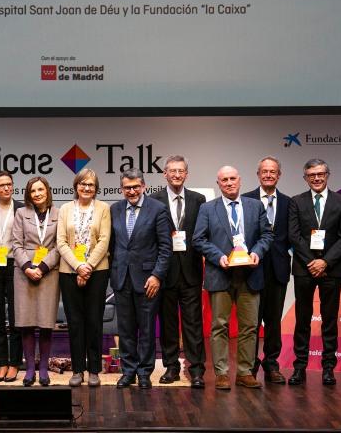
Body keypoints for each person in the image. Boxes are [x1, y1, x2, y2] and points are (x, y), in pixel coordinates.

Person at [193, 166, 272, 391]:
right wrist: (218, 257)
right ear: (218, 183)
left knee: (250, 326)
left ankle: (245, 372)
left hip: (250, 274)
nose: (229, 183)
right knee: (219, 326)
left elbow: (267, 234)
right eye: (224, 180)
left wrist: (257, 251)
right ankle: (222, 373)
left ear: (240, 180)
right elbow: (198, 239)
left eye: (232, 178)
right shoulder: (208, 209)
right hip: (221, 274)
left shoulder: (255, 206)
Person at [288, 158, 341, 386]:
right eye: (311, 175)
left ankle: (328, 369)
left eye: (320, 174)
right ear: (305, 177)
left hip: (331, 270)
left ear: (327, 175)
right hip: (305, 269)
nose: (316, 178)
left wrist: (324, 262)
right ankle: (299, 368)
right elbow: (294, 236)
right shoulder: (296, 202)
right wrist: (312, 262)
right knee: (302, 320)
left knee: (330, 320)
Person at [109, 168, 172, 389]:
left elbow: (166, 247)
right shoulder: (114, 209)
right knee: (125, 329)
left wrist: (157, 275)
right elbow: (112, 246)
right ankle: (128, 371)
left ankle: (145, 372)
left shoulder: (158, 209)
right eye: (127, 187)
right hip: (121, 278)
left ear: (144, 186)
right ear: (121, 188)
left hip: (148, 280)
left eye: (136, 186)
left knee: (146, 329)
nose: (132, 191)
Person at [150, 155, 207, 388]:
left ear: (186, 174)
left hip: (191, 271)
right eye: (172, 171)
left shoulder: (198, 199)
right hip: (165, 271)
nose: (176, 175)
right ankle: (171, 367)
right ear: (165, 174)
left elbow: (203, 234)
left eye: (180, 171)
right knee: (168, 323)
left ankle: (196, 370)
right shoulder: (154, 200)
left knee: (193, 323)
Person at [56, 168, 112, 388]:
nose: (87, 188)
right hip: (69, 271)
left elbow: (105, 240)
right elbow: (60, 242)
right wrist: (78, 265)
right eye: (83, 184)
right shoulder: (65, 209)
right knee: (75, 323)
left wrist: (87, 266)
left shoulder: (103, 208)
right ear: (76, 186)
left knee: (94, 322)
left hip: (97, 271)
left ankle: (94, 370)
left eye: (91, 185)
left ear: (96, 188)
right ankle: (78, 370)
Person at [242, 156, 293, 384]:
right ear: (258, 174)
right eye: (264, 171)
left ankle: (271, 364)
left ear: (279, 175)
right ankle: (249, 365)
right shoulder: (245, 200)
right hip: (252, 268)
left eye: (273, 171)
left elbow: (292, 236)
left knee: (273, 320)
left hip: (278, 270)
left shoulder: (289, 203)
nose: (269, 175)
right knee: (251, 320)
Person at [11, 176, 61, 387]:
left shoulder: (60, 213)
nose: (38, 194)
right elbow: (15, 244)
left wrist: (41, 267)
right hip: (24, 273)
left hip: (49, 272)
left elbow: (61, 245)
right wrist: (28, 267)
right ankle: (30, 368)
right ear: (28, 195)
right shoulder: (21, 213)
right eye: (33, 191)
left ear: (48, 191)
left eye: (41, 189)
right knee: (27, 323)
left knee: (46, 323)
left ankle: (43, 369)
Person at [0, 171, 23, 383]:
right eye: (2, 185)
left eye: (9, 184)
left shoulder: (21, 209)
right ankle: (2, 363)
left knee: (16, 318)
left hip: (14, 264)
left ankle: (15, 363)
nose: (6, 188)